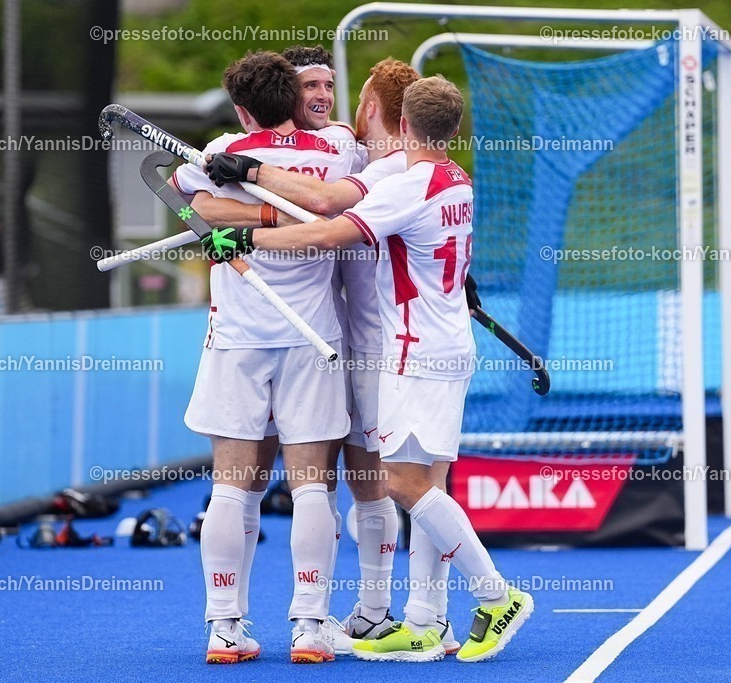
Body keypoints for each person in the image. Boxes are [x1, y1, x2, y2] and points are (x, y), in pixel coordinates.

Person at [202, 75, 534, 663]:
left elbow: (329, 222)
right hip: (445, 346)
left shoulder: (406, 184)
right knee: (427, 483)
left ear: (402, 124)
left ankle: (495, 594)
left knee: (402, 484)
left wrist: (245, 232)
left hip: (410, 350)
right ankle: (427, 621)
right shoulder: (453, 176)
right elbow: (333, 199)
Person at [175, 50, 358, 664]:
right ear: (296, 96)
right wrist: (277, 209)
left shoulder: (219, 151)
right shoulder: (337, 151)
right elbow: (331, 196)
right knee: (313, 487)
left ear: (241, 109)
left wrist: (248, 210)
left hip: (238, 339)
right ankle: (309, 625)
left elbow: (192, 204)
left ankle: (224, 627)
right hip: (314, 340)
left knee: (232, 487)